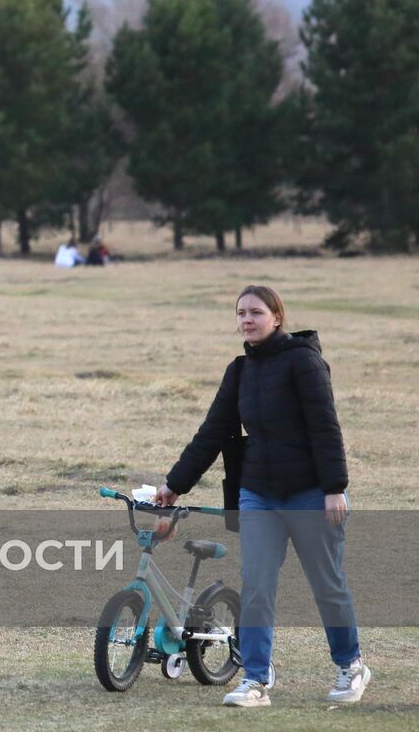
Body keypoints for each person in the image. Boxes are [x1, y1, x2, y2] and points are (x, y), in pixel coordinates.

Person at [156, 285, 367, 707]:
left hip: (309, 493)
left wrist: (334, 489)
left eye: (255, 312)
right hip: (257, 494)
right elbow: (212, 433)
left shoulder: (304, 362)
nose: (246, 320)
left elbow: (325, 427)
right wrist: (174, 483)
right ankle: (255, 679)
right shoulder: (239, 371)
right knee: (255, 587)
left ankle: (351, 666)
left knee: (326, 584)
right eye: (240, 313)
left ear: (277, 317)